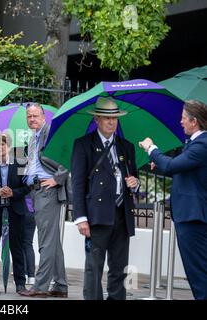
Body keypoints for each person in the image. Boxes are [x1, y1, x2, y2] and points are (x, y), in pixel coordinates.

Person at [72, 97, 139, 300]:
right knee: (94, 268)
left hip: (121, 214)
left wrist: (135, 184)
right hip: (97, 215)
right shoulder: (83, 145)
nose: (112, 122)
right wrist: (80, 217)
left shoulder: (126, 146)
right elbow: (77, 183)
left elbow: (134, 178)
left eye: (115, 119)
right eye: (107, 118)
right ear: (97, 120)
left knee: (119, 268)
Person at [139, 100, 207, 300]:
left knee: (198, 272)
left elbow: (172, 166)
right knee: (197, 271)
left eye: (184, 118)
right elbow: (182, 170)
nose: (181, 122)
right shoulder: (195, 144)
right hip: (189, 215)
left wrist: (151, 149)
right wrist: (159, 164)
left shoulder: (202, 144)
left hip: (193, 217)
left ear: (194, 121)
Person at [19, 103, 69, 298]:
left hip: (47, 190)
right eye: (29, 116)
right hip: (37, 191)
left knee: (45, 241)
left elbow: (68, 154)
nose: (32, 119)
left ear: (43, 116)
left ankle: (40, 286)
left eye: (35, 116)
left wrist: (57, 179)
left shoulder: (50, 132)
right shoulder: (33, 138)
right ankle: (61, 286)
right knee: (52, 240)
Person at [0, 133, 29, 294]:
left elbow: (28, 187)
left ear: (9, 147)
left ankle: (20, 283)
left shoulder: (20, 162)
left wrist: (13, 193)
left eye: (3, 145)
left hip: (15, 208)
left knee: (17, 247)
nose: (0, 148)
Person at [22, 195, 36, 286]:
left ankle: (24, 274)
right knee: (28, 244)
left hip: (22, 211)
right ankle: (31, 276)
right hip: (32, 213)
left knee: (20, 245)